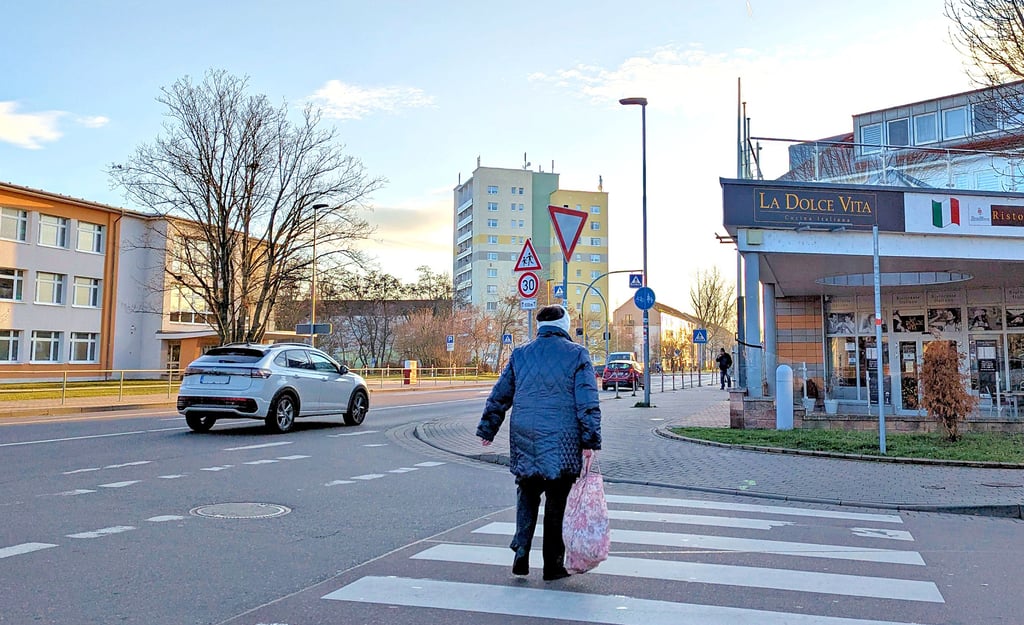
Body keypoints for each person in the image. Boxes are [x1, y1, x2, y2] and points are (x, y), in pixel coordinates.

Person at [477, 305, 602, 581]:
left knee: (527, 493)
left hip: (525, 437)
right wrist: (591, 438)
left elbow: (501, 394)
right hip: (562, 440)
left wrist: (488, 428)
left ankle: (521, 552)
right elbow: (587, 402)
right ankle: (552, 565)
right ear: (565, 324)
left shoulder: (520, 354)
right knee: (557, 502)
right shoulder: (578, 354)